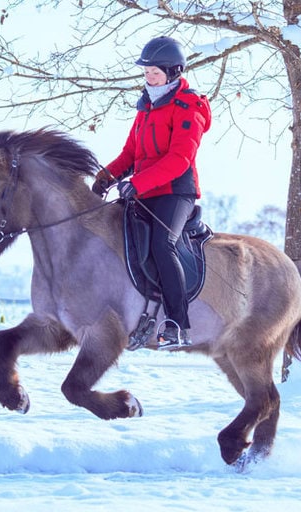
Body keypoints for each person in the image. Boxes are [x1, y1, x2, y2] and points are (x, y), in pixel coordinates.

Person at [93, 36, 212, 350]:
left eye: (155, 73)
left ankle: (177, 324)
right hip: (143, 191)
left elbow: (179, 159)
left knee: (162, 243)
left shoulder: (189, 106)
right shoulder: (145, 107)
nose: (149, 77)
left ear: (173, 72)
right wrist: (106, 176)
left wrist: (138, 183)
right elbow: (130, 154)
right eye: (146, 72)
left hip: (175, 192)